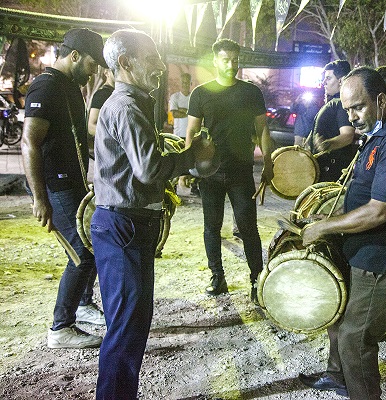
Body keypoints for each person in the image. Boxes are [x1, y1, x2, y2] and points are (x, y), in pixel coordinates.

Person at [91, 29, 214, 399]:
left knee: (131, 325)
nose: (161, 66)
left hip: (126, 224)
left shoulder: (131, 103)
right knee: (126, 329)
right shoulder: (126, 107)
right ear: (125, 63)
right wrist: (194, 155)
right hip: (123, 225)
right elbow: (147, 168)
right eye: (152, 58)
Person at [298, 66, 386, 399]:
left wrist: (323, 227)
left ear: (381, 100)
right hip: (363, 251)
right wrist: (332, 215)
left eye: (359, 107)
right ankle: (339, 376)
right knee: (340, 321)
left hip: (380, 258)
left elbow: (379, 211)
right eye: (347, 109)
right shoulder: (382, 131)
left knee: (355, 340)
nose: (352, 116)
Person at [21, 28, 108, 349]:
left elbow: (76, 139)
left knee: (94, 240)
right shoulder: (45, 86)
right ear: (74, 56)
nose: (94, 71)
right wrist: (40, 198)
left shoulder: (69, 87)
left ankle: (83, 305)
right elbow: (29, 143)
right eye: (91, 64)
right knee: (82, 253)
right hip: (54, 187)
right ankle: (61, 327)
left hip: (72, 183)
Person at [186, 38, 273, 302]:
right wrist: (189, 166)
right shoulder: (201, 93)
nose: (231, 65)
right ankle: (217, 276)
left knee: (248, 228)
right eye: (225, 59)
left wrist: (268, 162)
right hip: (210, 172)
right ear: (215, 61)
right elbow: (191, 131)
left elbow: (262, 130)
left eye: (235, 60)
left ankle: (257, 280)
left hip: (241, 170)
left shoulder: (251, 92)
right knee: (211, 227)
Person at [310, 60, 356, 183]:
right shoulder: (335, 103)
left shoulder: (341, 104)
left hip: (330, 172)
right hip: (325, 169)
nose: (324, 82)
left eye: (329, 78)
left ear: (341, 81)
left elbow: (347, 135)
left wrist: (326, 144)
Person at [87, 67, 115, 155]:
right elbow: (91, 126)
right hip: (106, 151)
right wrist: (115, 136)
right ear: (106, 73)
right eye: (114, 70)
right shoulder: (102, 95)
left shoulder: (117, 93)